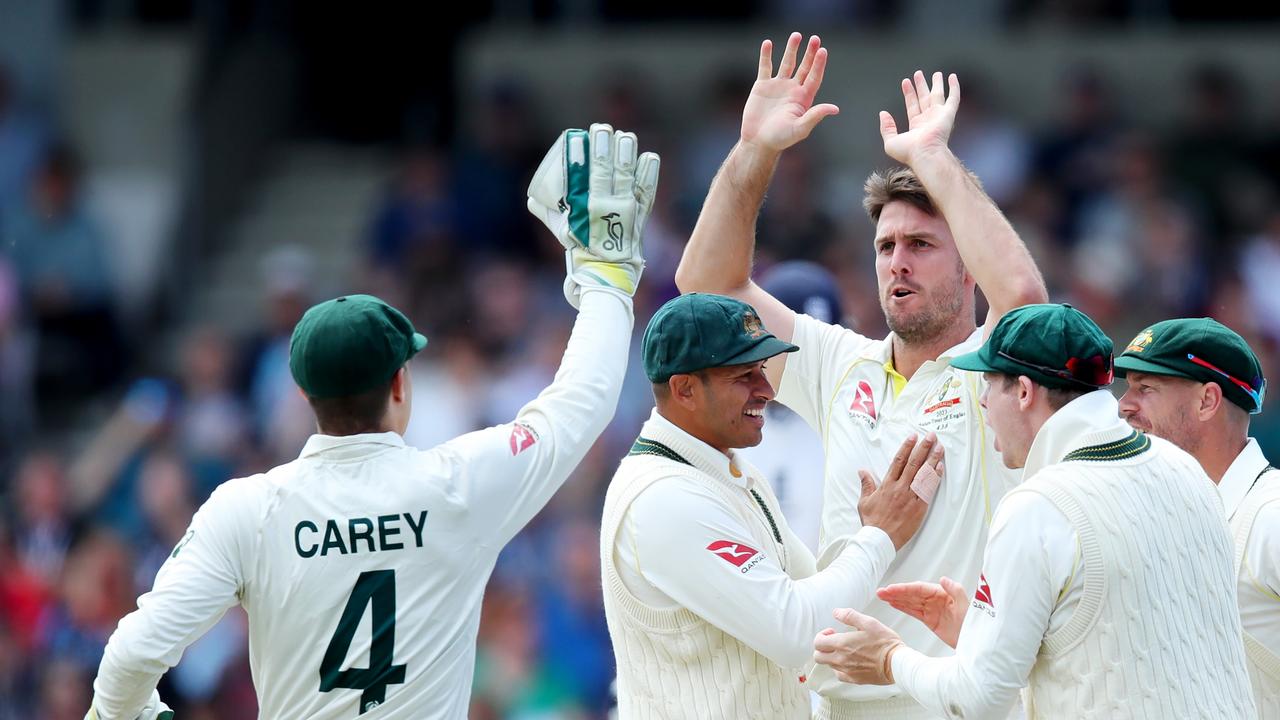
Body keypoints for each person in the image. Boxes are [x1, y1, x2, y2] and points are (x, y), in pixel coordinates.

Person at [84, 123, 660, 720]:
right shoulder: (457, 486)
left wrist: (127, 713)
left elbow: (132, 654)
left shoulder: (245, 510)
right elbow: (582, 402)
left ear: (305, 393)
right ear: (399, 385)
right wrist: (607, 282)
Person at [673, 32, 1047, 718]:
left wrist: (933, 158)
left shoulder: (997, 373)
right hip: (841, 703)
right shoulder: (840, 364)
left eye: (921, 246)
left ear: (968, 268)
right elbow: (705, 288)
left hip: (952, 703)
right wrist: (755, 151)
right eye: (885, 247)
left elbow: (1023, 295)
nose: (897, 262)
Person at [814, 304, 1256, 719]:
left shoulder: (1038, 506)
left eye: (988, 384)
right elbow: (1133, 645)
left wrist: (889, 658)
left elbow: (979, 698)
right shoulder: (1188, 471)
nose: (983, 403)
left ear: (1023, 391)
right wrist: (981, 633)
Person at [602, 292, 944, 719]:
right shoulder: (662, 498)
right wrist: (879, 536)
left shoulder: (725, 470)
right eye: (744, 375)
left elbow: (822, 598)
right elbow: (796, 631)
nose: (766, 390)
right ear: (684, 389)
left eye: (762, 369)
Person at [1115, 318, 1279, 717]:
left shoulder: (1270, 515)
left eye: (1145, 387)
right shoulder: (1155, 518)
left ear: (1207, 401)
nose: (1123, 405)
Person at [737, 260, 844, 552]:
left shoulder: (853, 424)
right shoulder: (723, 424)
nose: (807, 366)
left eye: (819, 351)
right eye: (795, 353)